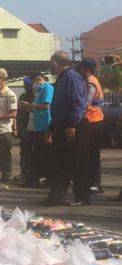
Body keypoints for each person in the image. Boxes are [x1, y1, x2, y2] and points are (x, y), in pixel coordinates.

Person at [44, 51, 88, 206]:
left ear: (56, 63)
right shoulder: (62, 79)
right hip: (61, 125)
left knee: (75, 163)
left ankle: (81, 196)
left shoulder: (71, 77)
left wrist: (73, 124)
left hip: (72, 126)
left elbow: (78, 102)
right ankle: (56, 196)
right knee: (59, 163)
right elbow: (59, 106)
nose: (50, 67)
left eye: (51, 64)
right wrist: (51, 127)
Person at [77, 58, 105, 195]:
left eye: (81, 68)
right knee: (90, 153)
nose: (79, 70)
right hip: (92, 120)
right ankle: (92, 181)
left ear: (86, 69)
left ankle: (94, 183)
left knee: (93, 154)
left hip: (93, 120)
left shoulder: (91, 82)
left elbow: (86, 103)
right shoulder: (89, 81)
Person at [20, 74, 54, 188]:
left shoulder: (47, 88)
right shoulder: (40, 91)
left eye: (37, 81)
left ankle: (37, 179)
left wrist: (30, 105)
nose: (35, 84)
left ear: (41, 80)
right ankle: (42, 178)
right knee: (38, 153)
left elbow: (46, 106)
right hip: (37, 125)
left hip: (44, 125)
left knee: (40, 153)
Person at [15, 77, 35, 182]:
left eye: (27, 85)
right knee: (24, 151)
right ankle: (24, 172)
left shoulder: (36, 96)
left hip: (35, 127)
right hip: (24, 127)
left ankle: (33, 173)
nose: (26, 87)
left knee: (34, 152)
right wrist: (18, 127)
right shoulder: (23, 96)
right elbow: (19, 113)